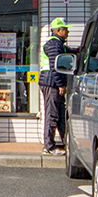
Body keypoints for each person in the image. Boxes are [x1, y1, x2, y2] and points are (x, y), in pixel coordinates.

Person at [38, 17, 75, 154]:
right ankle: (49, 146)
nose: (68, 33)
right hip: (51, 82)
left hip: (51, 81)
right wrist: (61, 84)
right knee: (52, 114)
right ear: (58, 30)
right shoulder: (54, 44)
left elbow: (69, 52)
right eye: (66, 30)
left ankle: (66, 143)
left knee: (59, 113)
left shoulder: (58, 43)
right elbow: (56, 67)